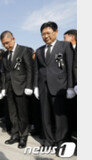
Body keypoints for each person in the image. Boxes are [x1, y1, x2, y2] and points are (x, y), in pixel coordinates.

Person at [34, 22, 75, 150]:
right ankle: (48, 141)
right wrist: (35, 86)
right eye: (43, 34)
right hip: (43, 87)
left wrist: (70, 86)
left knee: (60, 117)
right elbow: (37, 70)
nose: (46, 36)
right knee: (45, 116)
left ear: (56, 32)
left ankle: (62, 142)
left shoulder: (65, 46)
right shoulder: (39, 50)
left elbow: (70, 67)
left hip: (60, 87)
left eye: (48, 33)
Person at [0, 31, 34, 149]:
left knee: (22, 114)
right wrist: (3, 88)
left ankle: (23, 136)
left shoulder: (24, 50)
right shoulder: (4, 55)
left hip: (21, 87)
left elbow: (30, 69)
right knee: (12, 114)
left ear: (13, 39)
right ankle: (15, 134)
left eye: (7, 43)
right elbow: (4, 72)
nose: (6, 46)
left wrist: (29, 86)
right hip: (9, 88)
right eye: (3, 44)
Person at [64, 29, 77, 141]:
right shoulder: (67, 50)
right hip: (70, 87)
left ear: (72, 37)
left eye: (65, 38)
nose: (64, 41)